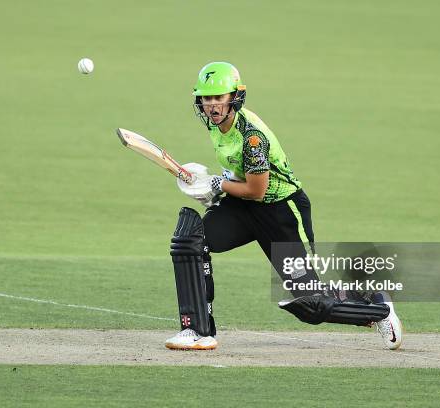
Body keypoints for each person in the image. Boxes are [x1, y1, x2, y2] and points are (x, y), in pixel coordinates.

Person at [165, 62, 402, 351]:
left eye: (218, 98)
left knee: (310, 303)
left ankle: (377, 305)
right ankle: (198, 331)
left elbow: (256, 190)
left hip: (282, 212)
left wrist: (216, 184)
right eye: (206, 98)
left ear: (234, 98)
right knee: (191, 239)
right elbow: (242, 179)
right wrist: (216, 188)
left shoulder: (252, 138)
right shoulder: (217, 124)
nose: (212, 105)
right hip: (244, 207)